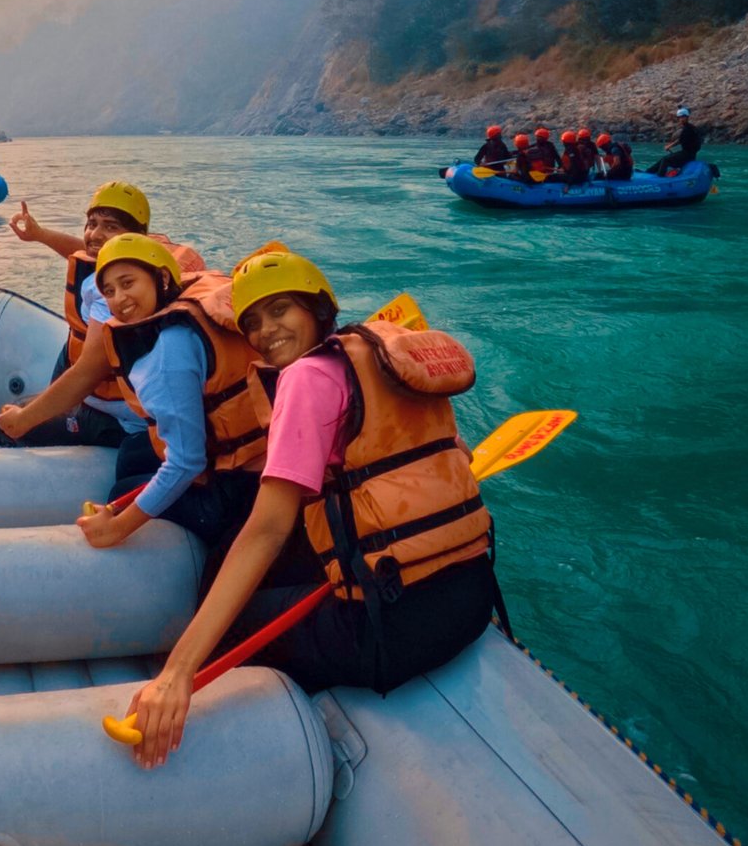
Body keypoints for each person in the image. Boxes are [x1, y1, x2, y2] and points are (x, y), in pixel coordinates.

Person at [115, 248, 500, 769]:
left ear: (317, 310)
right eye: (251, 322)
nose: (264, 331)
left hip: (393, 631)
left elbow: (267, 530)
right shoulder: (389, 357)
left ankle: (285, 736)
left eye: (280, 311)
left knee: (231, 608)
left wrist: (176, 674)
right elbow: (457, 454)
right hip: (472, 597)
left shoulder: (306, 377)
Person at [71, 234, 273, 552]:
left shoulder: (168, 352)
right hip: (260, 448)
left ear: (161, 278)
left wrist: (119, 527)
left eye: (128, 283)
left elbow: (186, 463)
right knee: (133, 453)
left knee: (122, 490)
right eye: (109, 291)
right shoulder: (191, 307)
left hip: (243, 484)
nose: (119, 299)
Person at [0, 183, 203, 449]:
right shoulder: (148, 265)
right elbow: (89, 252)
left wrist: (24, 420)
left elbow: (89, 370)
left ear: (137, 236)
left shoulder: (111, 295)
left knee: (20, 417)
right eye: (91, 223)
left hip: (120, 419)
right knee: (39, 390)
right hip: (124, 402)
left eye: (110, 226)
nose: (95, 234)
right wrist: (40, 234)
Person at [649, 107, 704, 175]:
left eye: (683, 117)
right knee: (664, 159)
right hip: (688, 154)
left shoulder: (688, 129)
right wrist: (669, 146)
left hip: (687, 154)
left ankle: (660, 177)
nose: (681, 119)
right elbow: (681, 139)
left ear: (687, 117)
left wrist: (670, 146)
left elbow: (680, 140)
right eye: (680, 117)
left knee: (665, 160)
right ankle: (649, 172)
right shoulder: (690, 127)